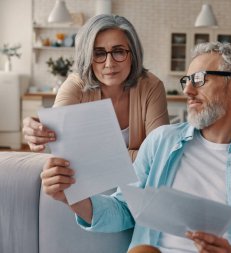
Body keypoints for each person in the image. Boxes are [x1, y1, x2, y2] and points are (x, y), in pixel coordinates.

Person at [41, 42, 231, 253]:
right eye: (187, 80)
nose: (187, 90)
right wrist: (72, 196)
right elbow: (124, 209)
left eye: (200, 80)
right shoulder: (161, 141)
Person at [22, 14, 169, 161]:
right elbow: (56, 132)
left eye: (118, 51)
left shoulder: (151, 86)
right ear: (87, 58)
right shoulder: (76, 85)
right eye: (98, 54)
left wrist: (97, 155)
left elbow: (158, 155)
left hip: (138, 181)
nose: (109, 63)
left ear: (133, 55)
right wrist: (37, 128)